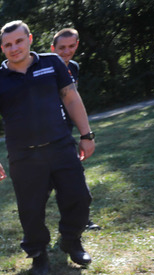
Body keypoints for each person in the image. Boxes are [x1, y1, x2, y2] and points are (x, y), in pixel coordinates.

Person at [0, 21, 96, 275]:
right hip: (24, 157)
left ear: (29, 38)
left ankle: (71, 240)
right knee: (31, 211)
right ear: (2, 48)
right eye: (8, 44)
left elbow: (72, 98)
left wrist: (86, 135)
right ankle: (38, 255)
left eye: (19, 41)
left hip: (61, 146)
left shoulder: (52, 63)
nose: (14, 48)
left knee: (79, 197)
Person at [51, 28, 100, 232]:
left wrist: (84, 133)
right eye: (62, 48)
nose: (66, 51)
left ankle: (82, 220)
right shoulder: (44, 68)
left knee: (74, 179)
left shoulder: (74, 67)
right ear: (53, 48)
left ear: (77, 45)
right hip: (46, 132)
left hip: (66, 131)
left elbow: (73, 98)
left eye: (71, 46)